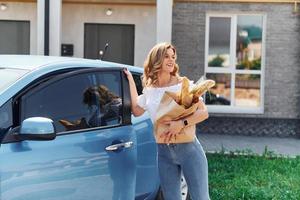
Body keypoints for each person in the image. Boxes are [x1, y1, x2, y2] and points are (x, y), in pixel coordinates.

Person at [123, 42, 210, 200]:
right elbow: (136, 110)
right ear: (156, 59)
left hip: (189, 150)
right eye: (166, 56)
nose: (171, 60)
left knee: (200, 198)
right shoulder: (150, 90)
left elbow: (203, 113)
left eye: (173, 57)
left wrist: (181, 123)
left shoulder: (182, 84)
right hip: (163, 152)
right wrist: (129, 80)